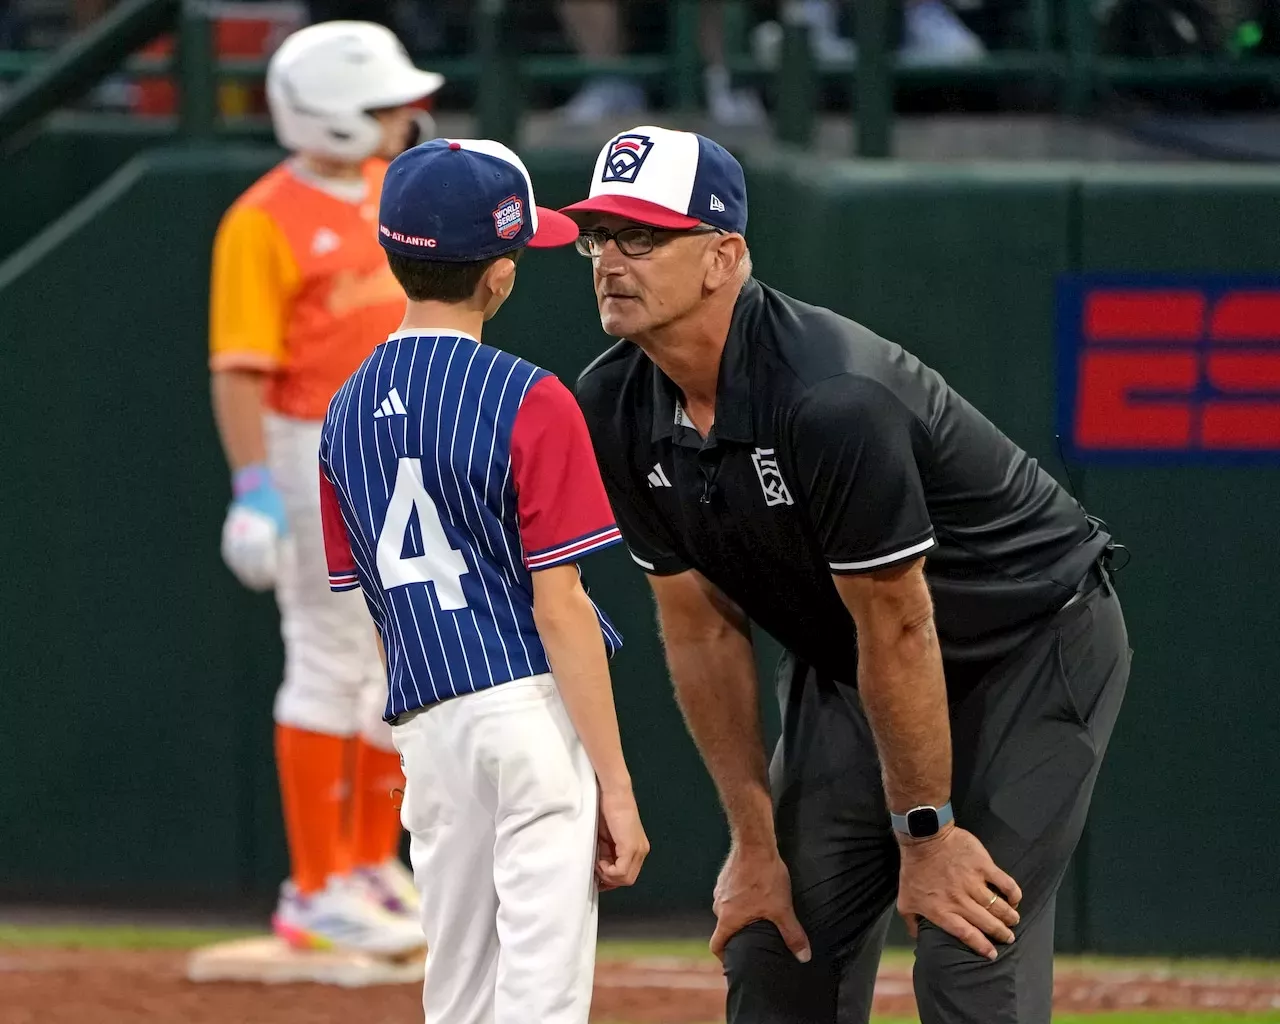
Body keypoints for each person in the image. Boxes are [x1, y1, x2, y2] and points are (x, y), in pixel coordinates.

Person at [564, 125, 1130, 1024]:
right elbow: (700, 628)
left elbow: (901, 626)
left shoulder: (831, 396)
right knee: (772, 938)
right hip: (854, 664)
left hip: (1023, 648)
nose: (610, 261)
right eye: (599, 235)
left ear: (724, 256)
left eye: (643, 236)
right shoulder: (611, 403)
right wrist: (753, 844)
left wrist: (927, 833)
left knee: (967, 940)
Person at [319, 137, 649, 1024]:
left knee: (459, 993)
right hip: (528, 708)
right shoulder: (532, 396)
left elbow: (369, 601)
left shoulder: (342, 414)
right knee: (541, 997)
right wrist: (615, 783)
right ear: (499, 276)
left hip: (427, 721)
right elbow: (563, 604)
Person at [208, 21, 443, 955]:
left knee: (396, 664)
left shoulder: (393, 192)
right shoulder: (262, 218)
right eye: (384, 106)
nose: (401, 119)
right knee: (325, 653)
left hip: (397, 439)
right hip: (309, 442)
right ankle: (314, 886)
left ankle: (365, 867)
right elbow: (238, 367)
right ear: (336, 114)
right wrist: (253, 487)